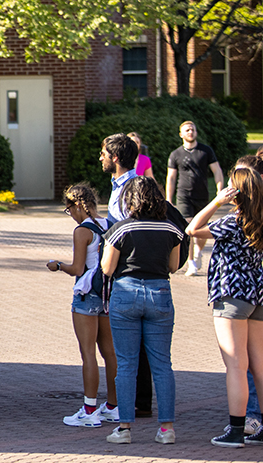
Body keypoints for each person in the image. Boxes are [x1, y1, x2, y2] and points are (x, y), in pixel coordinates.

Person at [186, 166, 263, 447]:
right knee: (261, 365)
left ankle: (236, 429)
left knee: (235, 365)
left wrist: (216, 201)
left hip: (232, 295)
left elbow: (192, 229)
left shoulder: (231, 222)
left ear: (235, 193)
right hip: (258, 294)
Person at [100, 176, 184, 444]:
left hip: (126, 293)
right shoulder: (171, 229)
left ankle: (124, 427)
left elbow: (107, 268)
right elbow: (173, 266)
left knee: (126, 364)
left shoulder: (121, 230)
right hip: (160, 292)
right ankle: (166, 428)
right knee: (162, 364)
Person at [45, 183, 119, 427]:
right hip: (108, 294)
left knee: (88, 353)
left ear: (77, 205)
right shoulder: (110, 224)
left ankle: (89, 411)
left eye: (69, 210)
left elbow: (77, 269)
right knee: (110, 353)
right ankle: (113, 406)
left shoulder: (82, 231)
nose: (71, 216)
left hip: (86, 295)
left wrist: (58, 265)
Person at [101, 132, 155, 418]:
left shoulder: (131, 188)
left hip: (129, 274)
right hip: (127, 273)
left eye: (104, 153)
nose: (101, 158)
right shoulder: (119, 185)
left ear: (116, 158)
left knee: (133, 342)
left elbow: (127, 230)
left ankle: (132, 403)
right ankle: (139, 400)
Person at [237, 149, 263, 435]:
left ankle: (253, 416)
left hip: (259, 295)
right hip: (258, 294)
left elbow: (195, 228)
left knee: (256, 360)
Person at [166, 120, 224, 275]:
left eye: (192, 129)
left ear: (196, 132)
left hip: (202, 195)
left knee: (201, 229)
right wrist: (169, 199)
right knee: (189, 228)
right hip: (184, 196)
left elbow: (216, 170)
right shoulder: (175, 154)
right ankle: (191, 263)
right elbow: (171, 177)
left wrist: (219, 189)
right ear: (181, 134)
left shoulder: (205, 151)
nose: (190, 132)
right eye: (187, 130)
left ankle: (198, 251)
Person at [100, 133, 139, 223]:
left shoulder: (133, 189)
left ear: (114, 157)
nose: (101, 158)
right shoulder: (117, 184)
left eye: (103, 154)